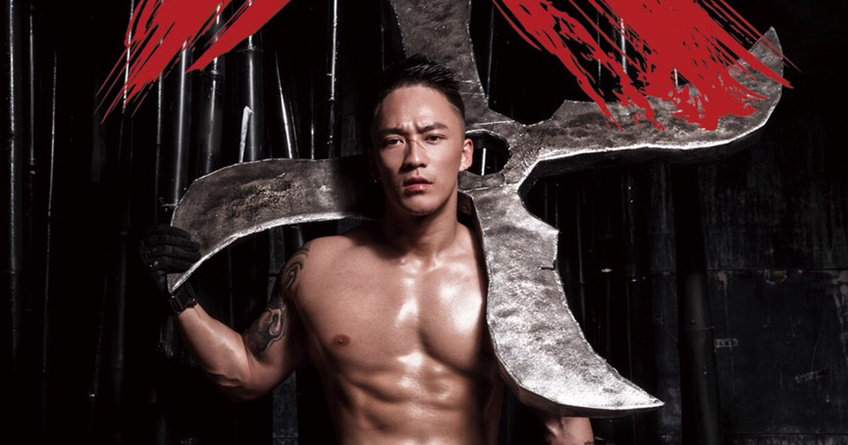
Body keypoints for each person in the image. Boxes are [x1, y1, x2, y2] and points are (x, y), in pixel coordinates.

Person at [140, 55, 594, 445]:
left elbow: (565, 428)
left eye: (433, 137)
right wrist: (178, 293)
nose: (414, 158)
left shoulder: (509, 274)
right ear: (374, 163)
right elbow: (246, 374)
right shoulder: (317, 267)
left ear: (465, 154)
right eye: (394, 140)